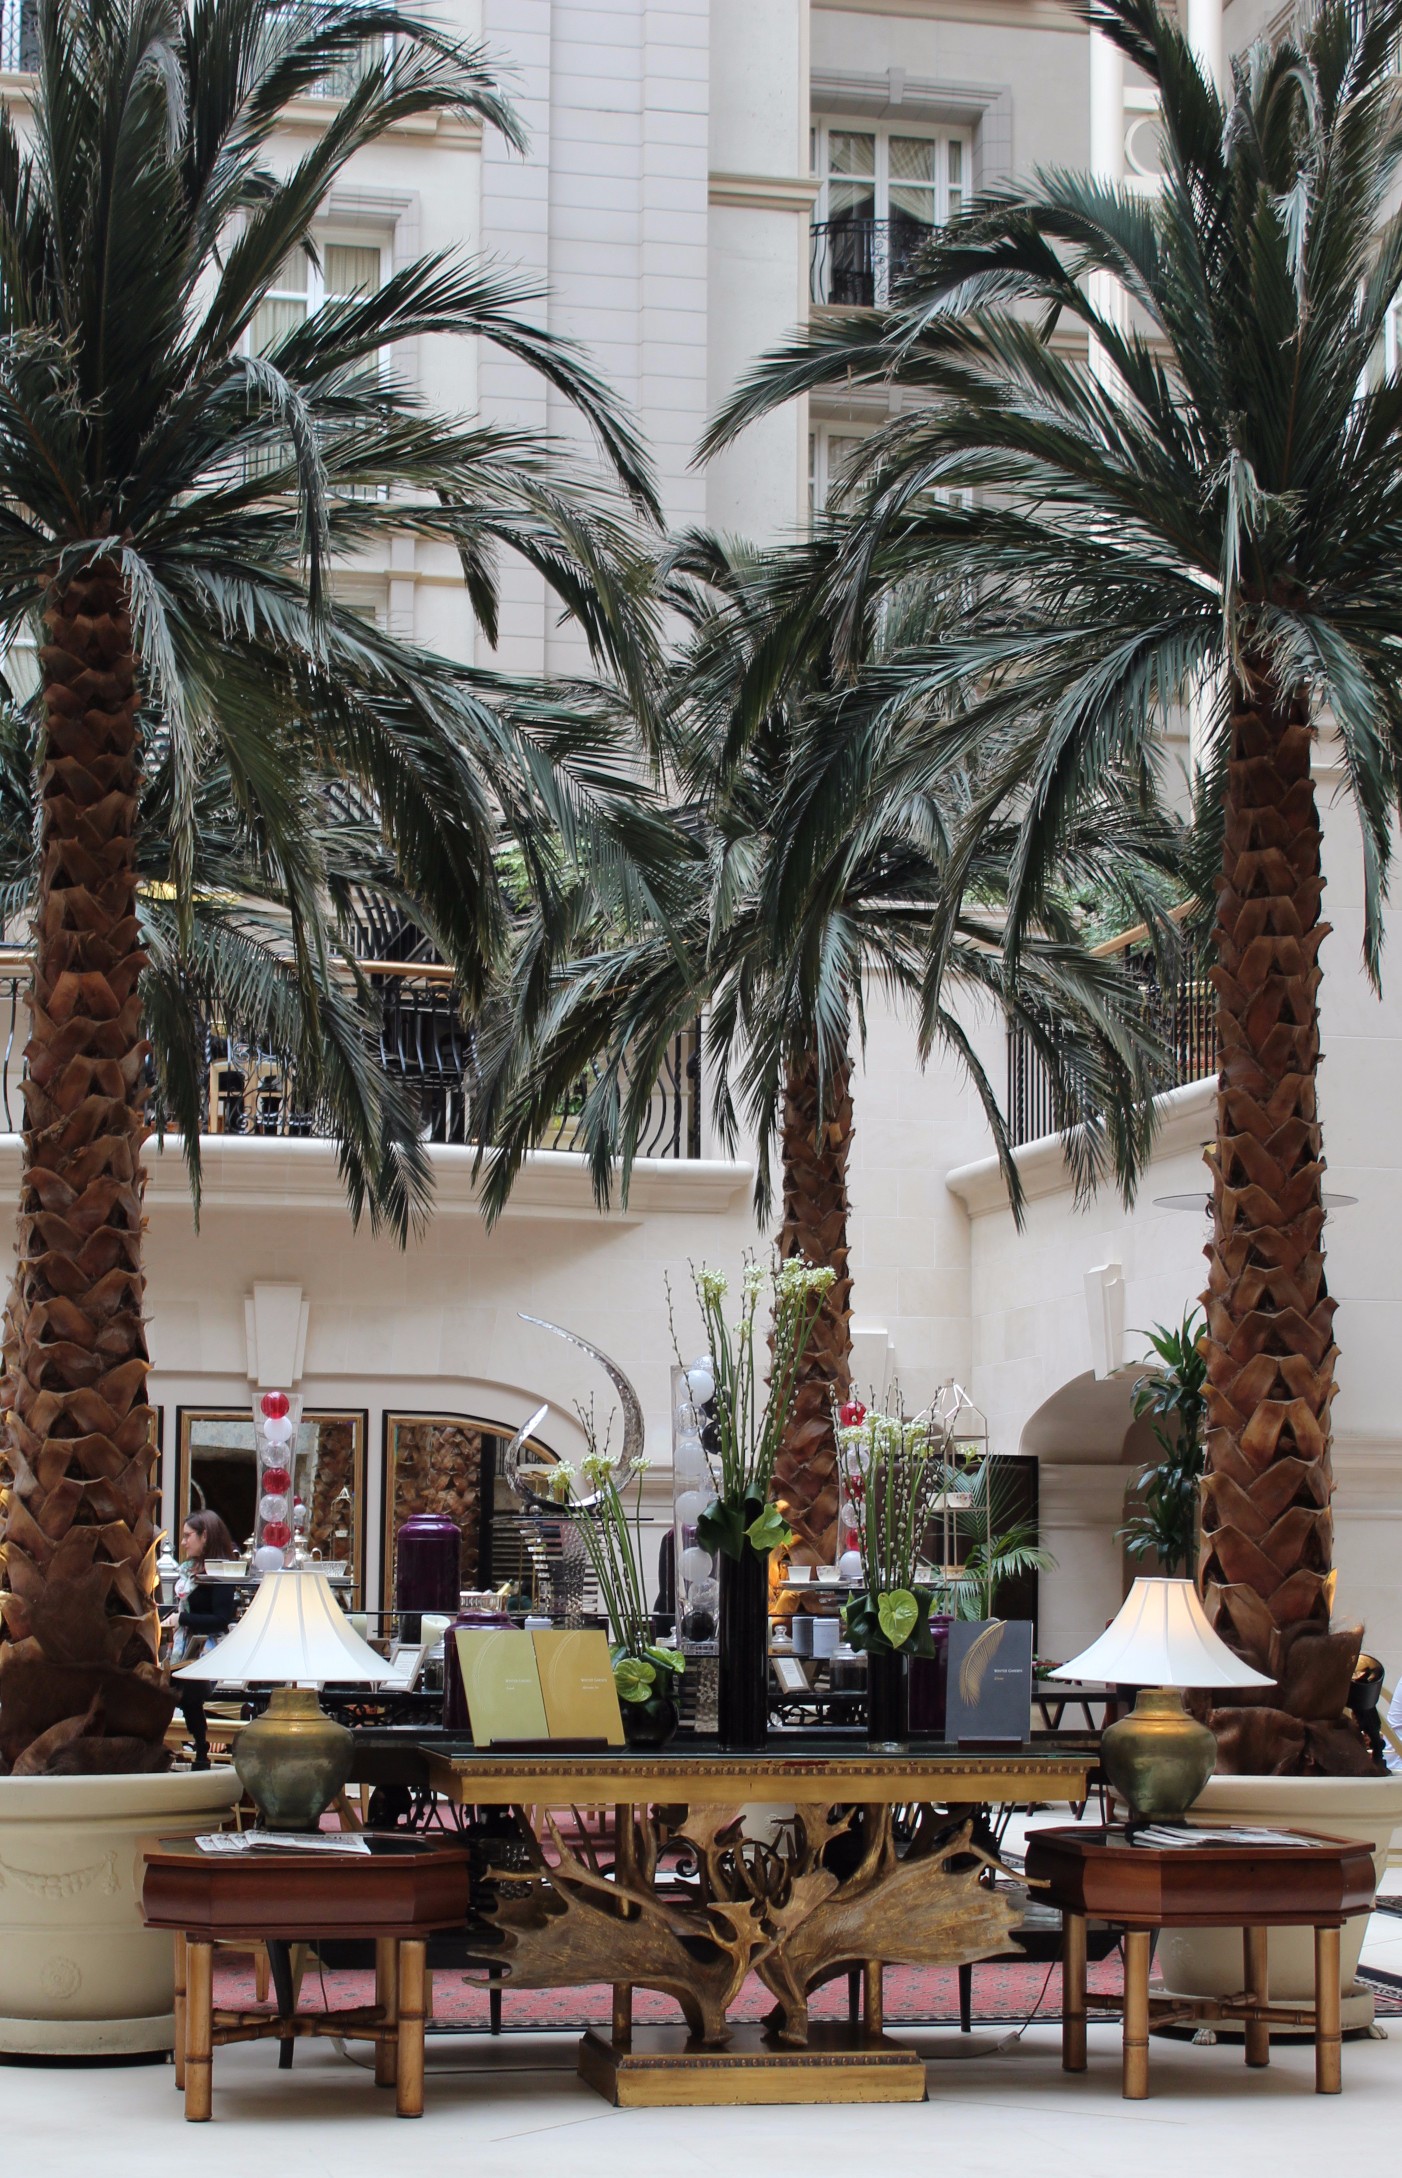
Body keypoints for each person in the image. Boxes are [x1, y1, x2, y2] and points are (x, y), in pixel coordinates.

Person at [165, 1509, 239, 1664]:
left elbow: (220, 1620)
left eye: (187, 1536)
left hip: (209, 1655)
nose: (183, 1542)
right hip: (189, 1648)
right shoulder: (189, 1569)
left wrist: (181, 1619)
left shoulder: (221, 1571)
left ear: (204, 1536)